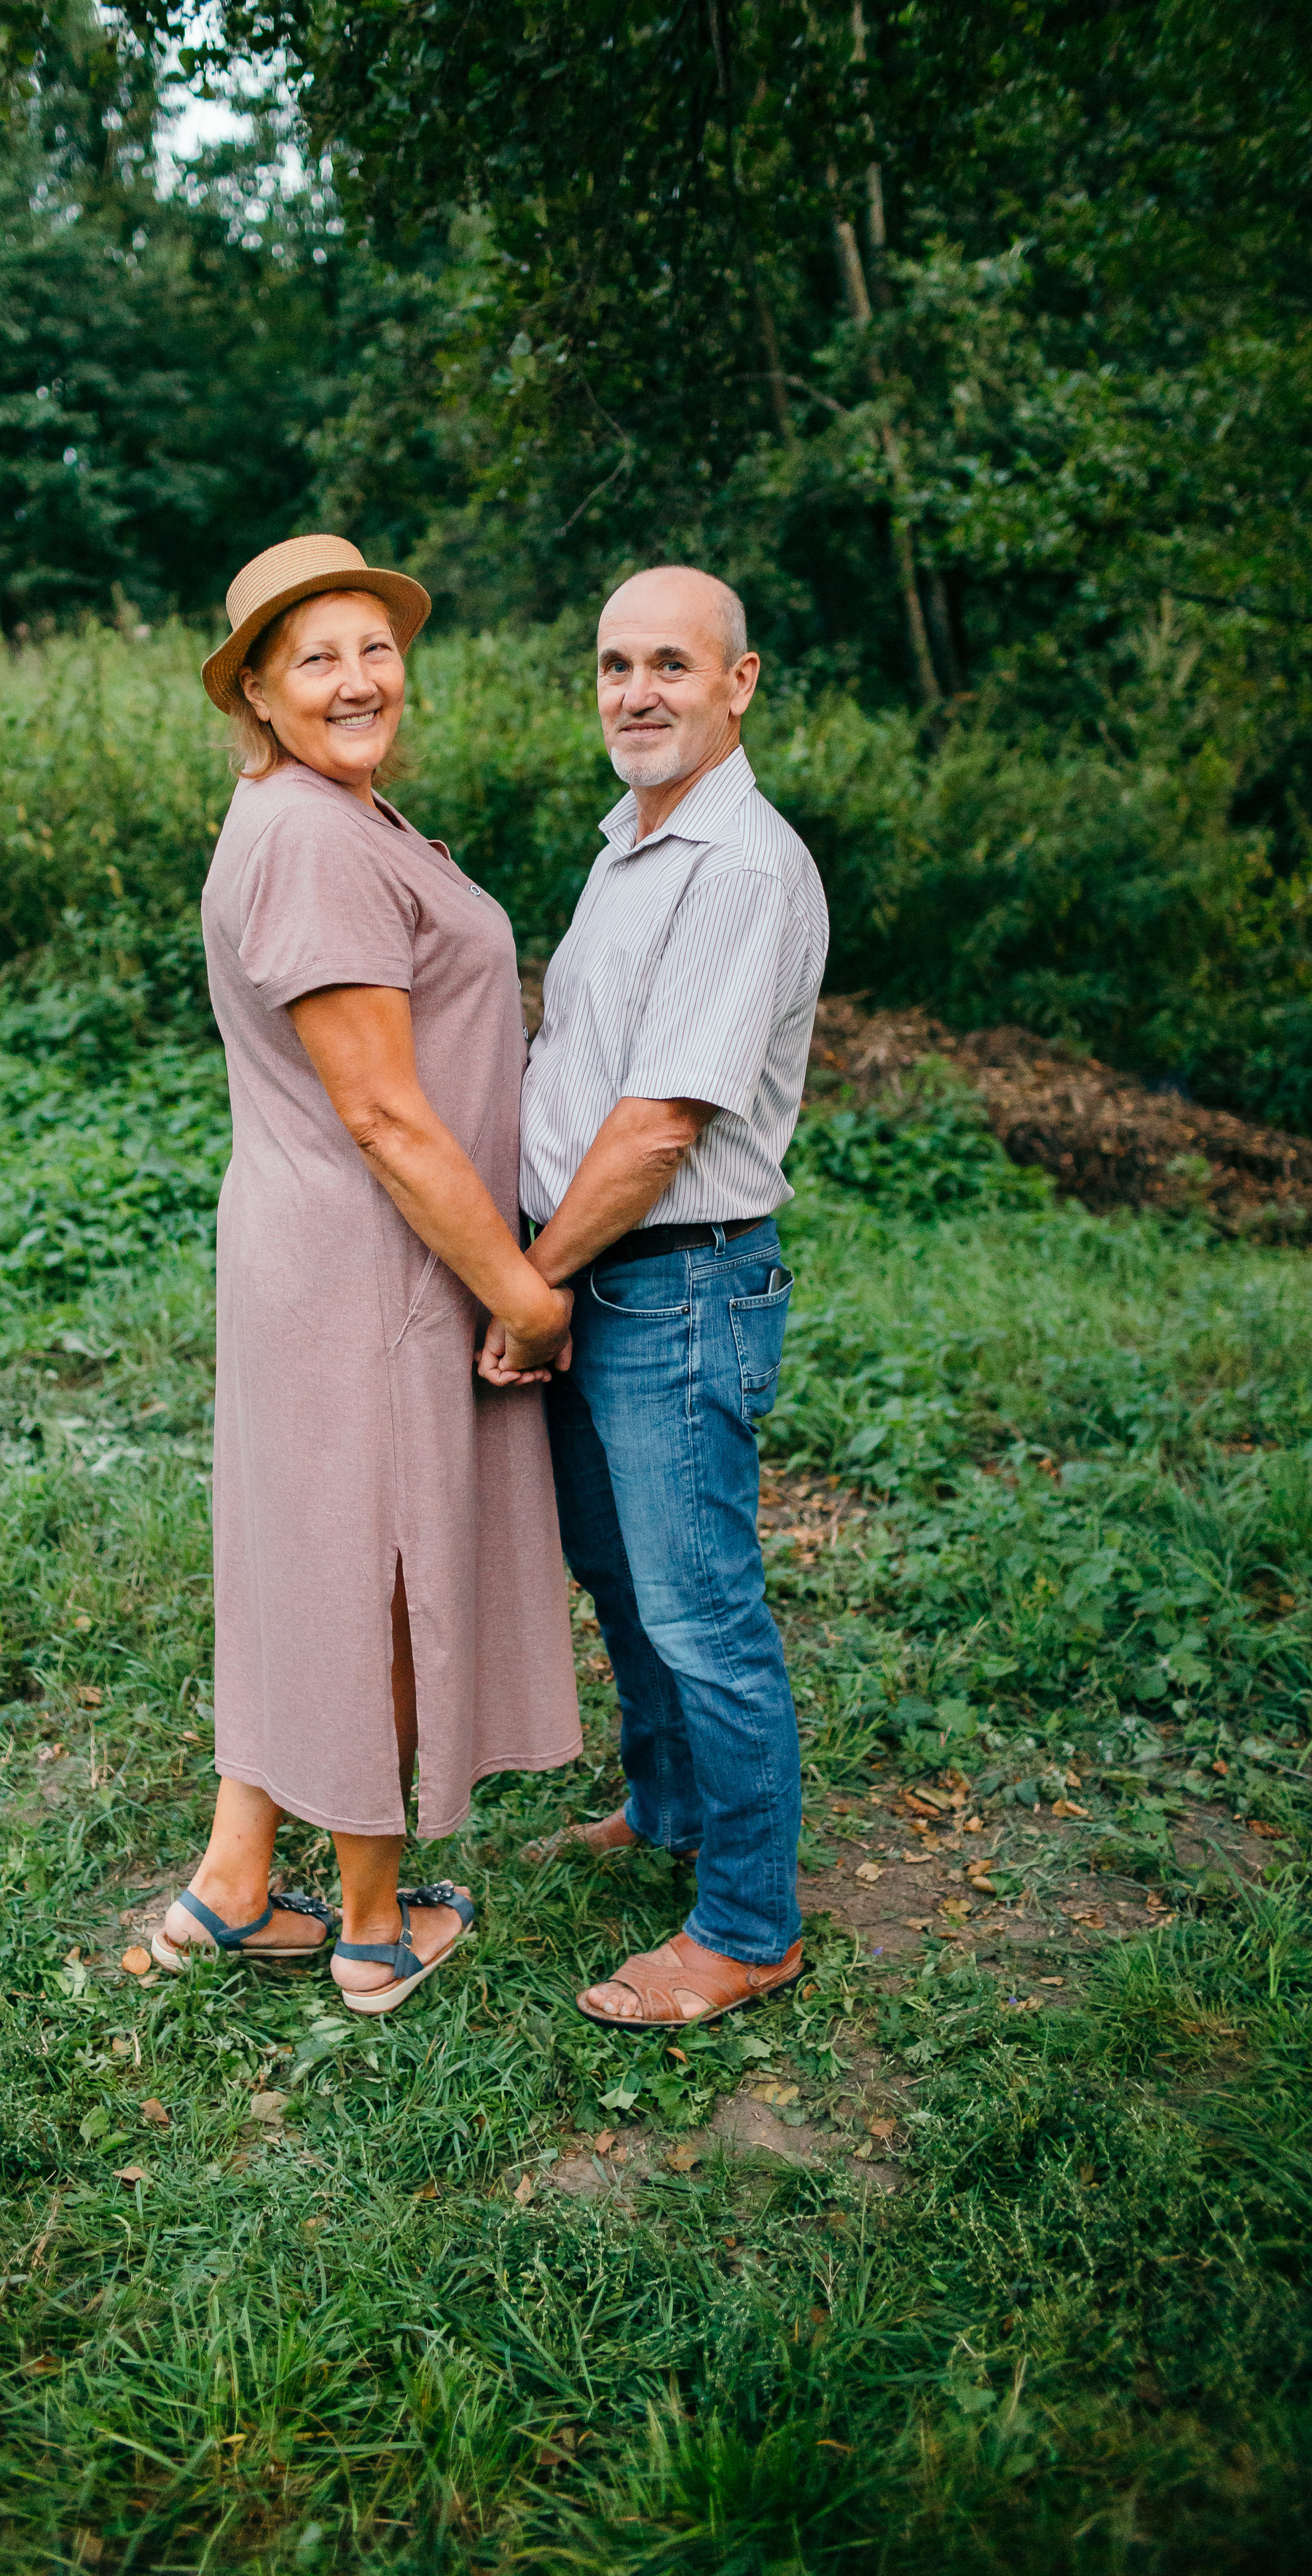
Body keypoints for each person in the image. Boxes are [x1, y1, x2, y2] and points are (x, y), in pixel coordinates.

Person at [152, 534, 581, 2017]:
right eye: (313, 658)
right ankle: (376, 1921)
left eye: (372, 647)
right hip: (366, 1262)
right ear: (257, 694)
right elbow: (387, 1114)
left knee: (298, 1553)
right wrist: (521, 1293)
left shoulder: (318, 810)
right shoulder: (316, 839)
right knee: (369, 1576)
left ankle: (227, 1883)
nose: (355, 678)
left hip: (307, 1246)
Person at [481, 565, 828, 2027]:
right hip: (592, 1273)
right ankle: (667, 1804)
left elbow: (656, 1127)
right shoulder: (632, 836)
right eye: (615, 665)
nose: (636, 691)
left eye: (670, 665)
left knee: (700, 1613)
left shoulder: (737, 866)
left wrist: (528, 1283)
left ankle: (748, 1921)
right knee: (620, 1582)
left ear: (737, 685)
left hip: (669, 1284)